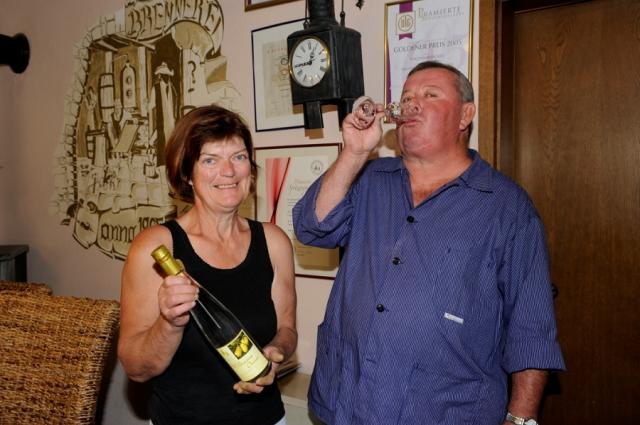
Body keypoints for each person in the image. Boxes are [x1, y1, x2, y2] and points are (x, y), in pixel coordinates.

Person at [292, 61, 565, 425]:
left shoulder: (508, 207)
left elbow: (531, 329)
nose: (412, 103)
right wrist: (354, 153)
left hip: (447, 412)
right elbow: (313, 228)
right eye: (406, 97)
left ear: (465, 115)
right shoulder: (368, 179)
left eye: (430, 95)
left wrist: (520, 419)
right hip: (346, 404)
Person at [118, 105, 297, 425]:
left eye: (239, 157)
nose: (229, 172)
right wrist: (170, 323)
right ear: (187, 173)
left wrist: (275, 353)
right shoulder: (156, 248)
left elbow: (287, 329)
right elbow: (137, 369)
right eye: (210, 160)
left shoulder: (274, 242)